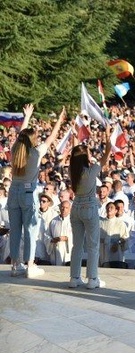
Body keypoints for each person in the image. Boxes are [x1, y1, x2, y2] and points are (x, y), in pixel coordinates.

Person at [8, 105, 64, 277]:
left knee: (15, 230)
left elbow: (21, 137)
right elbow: (52, 137)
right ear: (32, 140)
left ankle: (15, 265)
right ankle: (30, 265)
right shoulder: (36, 152)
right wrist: (60, 120)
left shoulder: (15, 151)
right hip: (28, 193)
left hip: (13, 191)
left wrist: (27, 117)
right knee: (31, 230)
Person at [68, 120, 112, 289]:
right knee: (92, 245)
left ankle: (74, 277)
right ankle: (92, 279)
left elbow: (75, 155)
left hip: (75, 208)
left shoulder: (73, 170)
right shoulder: (91, 171)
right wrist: (107, 136)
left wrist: (75, 136)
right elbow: (107, 155)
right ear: (85, 157)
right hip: (89, 208)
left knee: (77, 245)